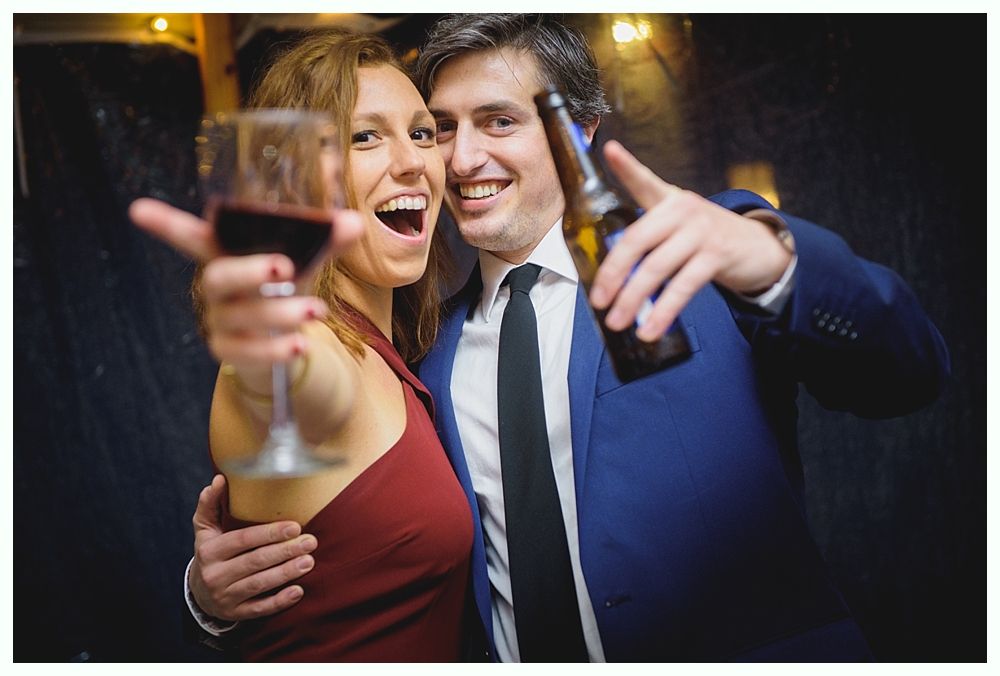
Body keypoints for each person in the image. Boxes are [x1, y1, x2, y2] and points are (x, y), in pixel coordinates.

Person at [179, 14, 949, 662]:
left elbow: (907, 373)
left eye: (500, 121)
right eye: (442, 128)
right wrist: (213, 595)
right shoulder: (423, 357)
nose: (460, 158)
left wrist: (774, 267)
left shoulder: (705, 262)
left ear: (577, 131)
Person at [131, 29, 474, 661]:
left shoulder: (401, 346)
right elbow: (312, 393)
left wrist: (205, 606)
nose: (412, 162)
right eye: (364, 136)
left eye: (422, 133)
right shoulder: (307, 346)